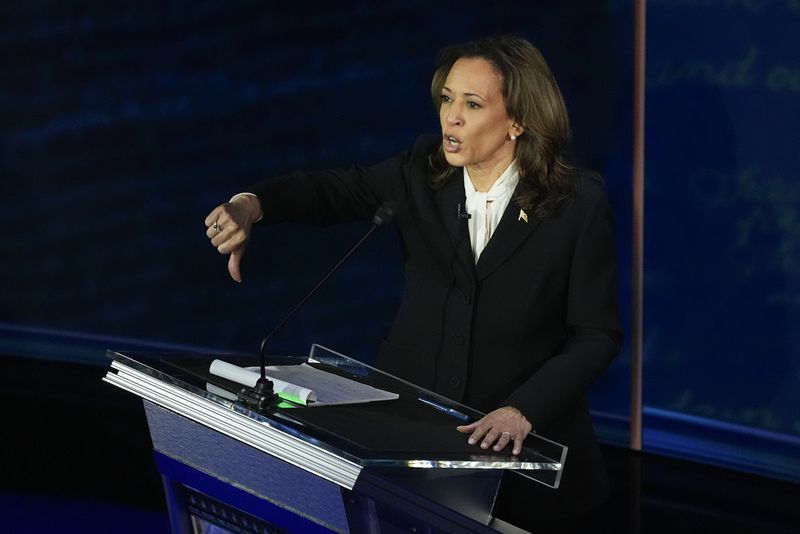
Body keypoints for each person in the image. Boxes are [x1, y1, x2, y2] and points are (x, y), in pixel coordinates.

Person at [205, 35, 621, 530]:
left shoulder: (575, 203)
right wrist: (250, 206)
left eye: (472, 103)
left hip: (523, 472)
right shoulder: (421, 173)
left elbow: (597, 334)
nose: (452, 117)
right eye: (447, 99)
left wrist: (521, 411)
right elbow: (331, 191)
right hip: (410, 456)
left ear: (518, 121)